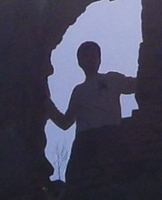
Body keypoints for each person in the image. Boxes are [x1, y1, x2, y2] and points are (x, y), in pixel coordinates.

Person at [50, 40, 138, 180]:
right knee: (79, 181)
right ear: (80, 62)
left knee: (115, 179)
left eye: (93, 55)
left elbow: (137, 84)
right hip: (86, 141)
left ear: (99, 59)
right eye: (86, 56)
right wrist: (48, 106)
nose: (90, 59)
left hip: (110, 136)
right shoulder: (79, 91)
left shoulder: (112, 79)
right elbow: (65, 123)